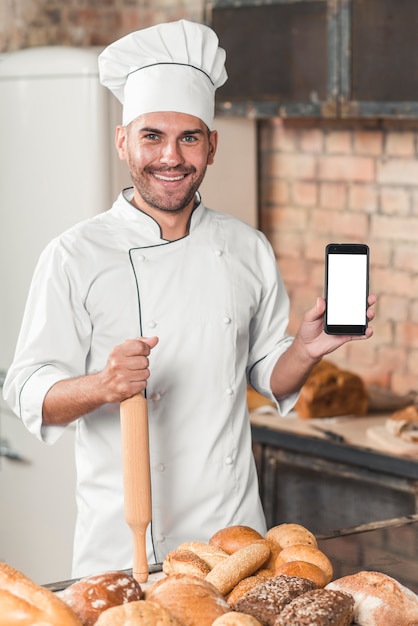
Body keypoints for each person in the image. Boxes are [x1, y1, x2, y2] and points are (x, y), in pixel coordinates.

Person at [3, 19, 375, 578]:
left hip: (234, 540)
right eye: (152, 135)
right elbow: (26, 389)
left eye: (189, 137)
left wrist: (304, 348)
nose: (170, 157)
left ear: (212, 145)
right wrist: (103, 385)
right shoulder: (74, 255)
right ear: (124, 140)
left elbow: (265, 374)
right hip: (126, 546)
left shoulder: (246, 247)